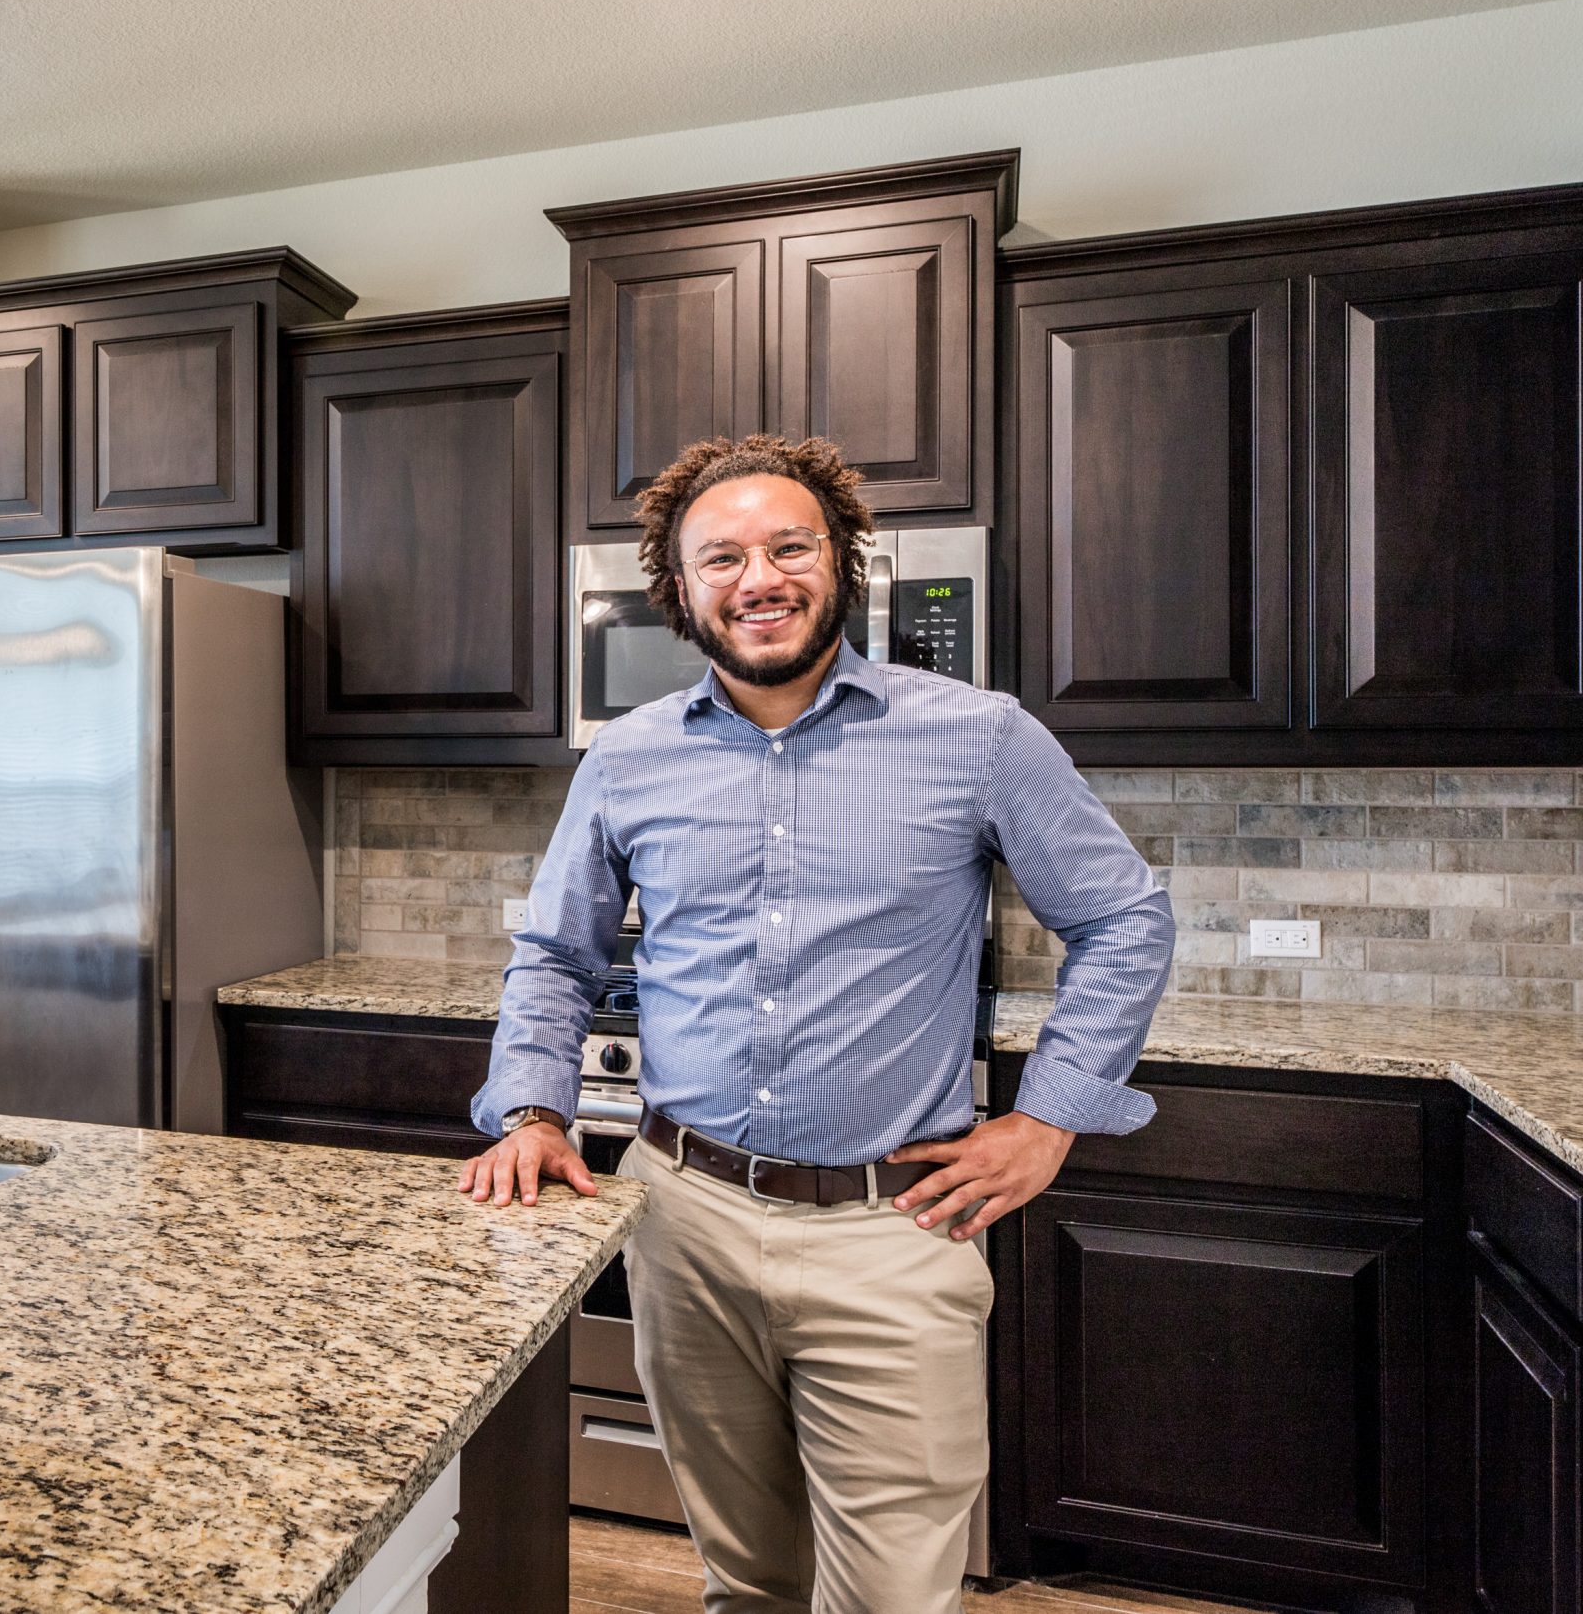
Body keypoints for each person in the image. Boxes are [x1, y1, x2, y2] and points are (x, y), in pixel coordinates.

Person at [458, 434, 1173, 1614]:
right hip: (680, 1216)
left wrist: (1047, 1119)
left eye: (790, 546)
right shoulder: (628, 759)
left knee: (890, 1598)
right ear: (679, 590)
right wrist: (532, 1108)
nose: (759, 579)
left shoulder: (977, 736)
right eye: (721, 558)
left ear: (843, 560)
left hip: (893, 1229)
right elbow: (555, 953)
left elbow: (1125, 919)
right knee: (747, 1582)